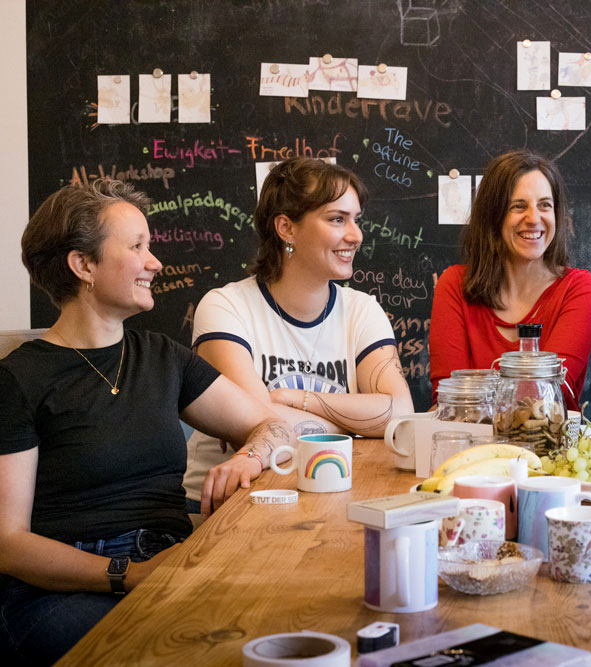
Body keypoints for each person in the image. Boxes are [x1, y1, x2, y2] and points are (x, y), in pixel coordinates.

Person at [0, 181, 294, 665]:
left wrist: (252, 454)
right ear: (84, 265)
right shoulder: (19, 380)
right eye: (137, 246)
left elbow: (270, 423)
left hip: (173, 557)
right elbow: (8, 543)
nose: (155, 262)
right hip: (62, 590)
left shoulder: (162, 357)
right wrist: (127, 574)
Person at [182, 157, 413, 505]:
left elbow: (400, 415)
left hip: (323, 494)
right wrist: (354, 426)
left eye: (356, 220)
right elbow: (259, 422)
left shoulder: (362, 310)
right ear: (286, 228)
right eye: (337, 219)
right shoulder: (225, 307)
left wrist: (295, 400)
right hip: (230, 502)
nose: (356, 235)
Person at [429, 150, 591, 411]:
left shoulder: (580, 289)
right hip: (473, 449)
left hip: (550, 448)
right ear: (493, 216)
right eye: (518, 206)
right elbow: (449, 401)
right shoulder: (454, 285)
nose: (534, 219)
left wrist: (479, 399)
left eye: (545, 205)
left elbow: (546, 395)